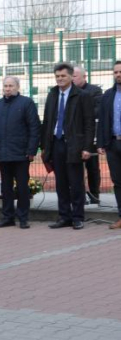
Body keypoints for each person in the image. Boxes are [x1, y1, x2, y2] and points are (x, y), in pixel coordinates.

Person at [41, 63, 95, 230]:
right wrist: (45, 146)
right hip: (56, 143)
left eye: (63, 76)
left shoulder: (82, 96)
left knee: (76, 182)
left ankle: (78, 217)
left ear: (71, 76)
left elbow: (89, 124)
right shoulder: (52, 95)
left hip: (74, 145)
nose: (60, 79)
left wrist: (86, 147)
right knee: (61, 183)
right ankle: (64, 216)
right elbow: (48, 121)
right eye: (57, 76)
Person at [0, 77, 41, 229]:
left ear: (18, 87)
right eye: (5, 86)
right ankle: (8, 217)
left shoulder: (26, 103)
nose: (8, 88)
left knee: (23, 186)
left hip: (21, 154)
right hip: (2, 154)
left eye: (11, 86)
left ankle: (23, 218)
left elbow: (34, 127)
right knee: (6, 187)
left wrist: (31, 150)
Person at [73, 66, 103, 205]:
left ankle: (94, 195)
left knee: (92, 167)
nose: (72, 79)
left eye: (75, 76)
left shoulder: (95, 91)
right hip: (73, 136)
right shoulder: (68, 92)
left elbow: (97, 110)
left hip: (90, 136)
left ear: (84, 77)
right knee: (75, 168)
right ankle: (80, 197)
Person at [97, 61, 121, 229]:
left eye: (120, 72)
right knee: (118, 182)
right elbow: (102, 120)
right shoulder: (107, 95)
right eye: (116, 72)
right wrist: (100, 142)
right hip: (113, 143)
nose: (118, 75)